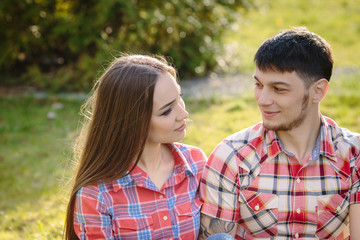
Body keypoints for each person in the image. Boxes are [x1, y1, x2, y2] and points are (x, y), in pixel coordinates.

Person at [199, 27, 360, 240]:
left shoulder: (353, 154)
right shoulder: (231, 157)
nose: (262, 99)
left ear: (318, 91)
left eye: (278, 89)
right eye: (259, 85)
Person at [64, 54, 207, 240]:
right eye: (166, 111)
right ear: (133, 122)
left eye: (180, 97)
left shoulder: (195, 163)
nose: (184, 113)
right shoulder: (96, 194)